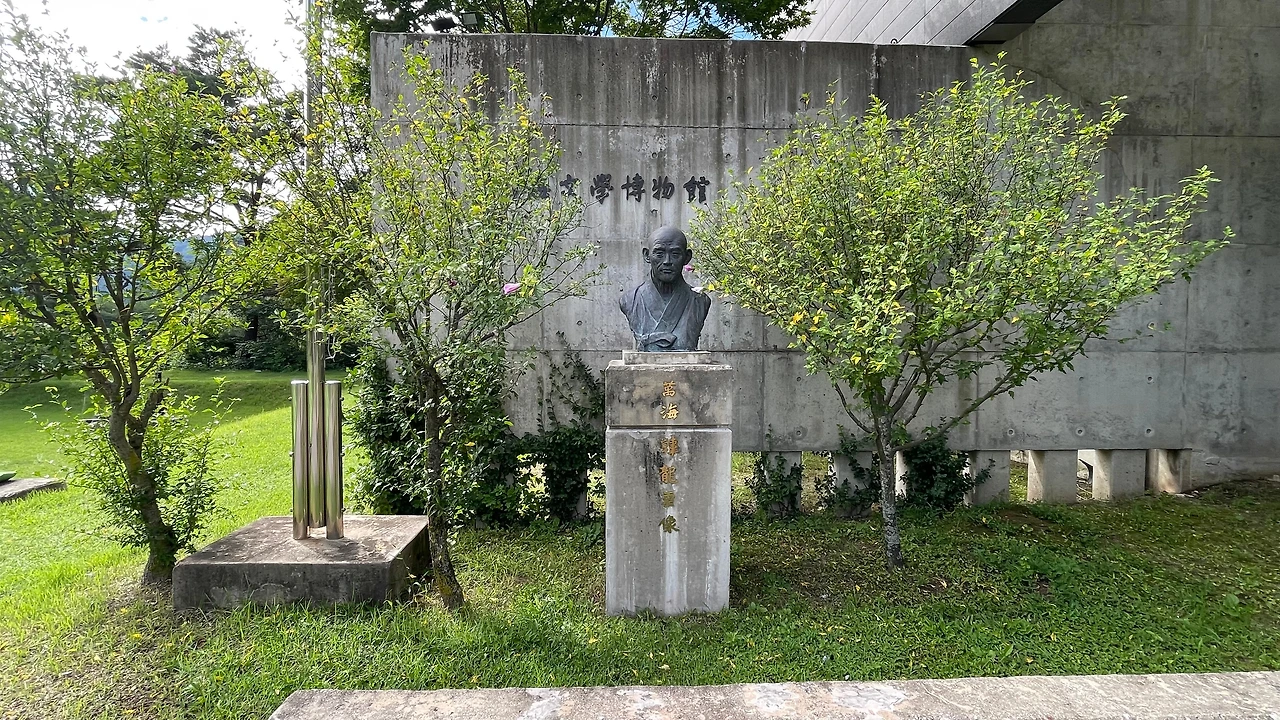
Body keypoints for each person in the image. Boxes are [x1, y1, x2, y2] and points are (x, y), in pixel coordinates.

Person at [618, 226, 711, 352]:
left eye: (675, 254)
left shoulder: (699, 300)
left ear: (687, 257)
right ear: (647, 255)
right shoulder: (630, 300)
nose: (667, 261)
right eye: (659, 254)